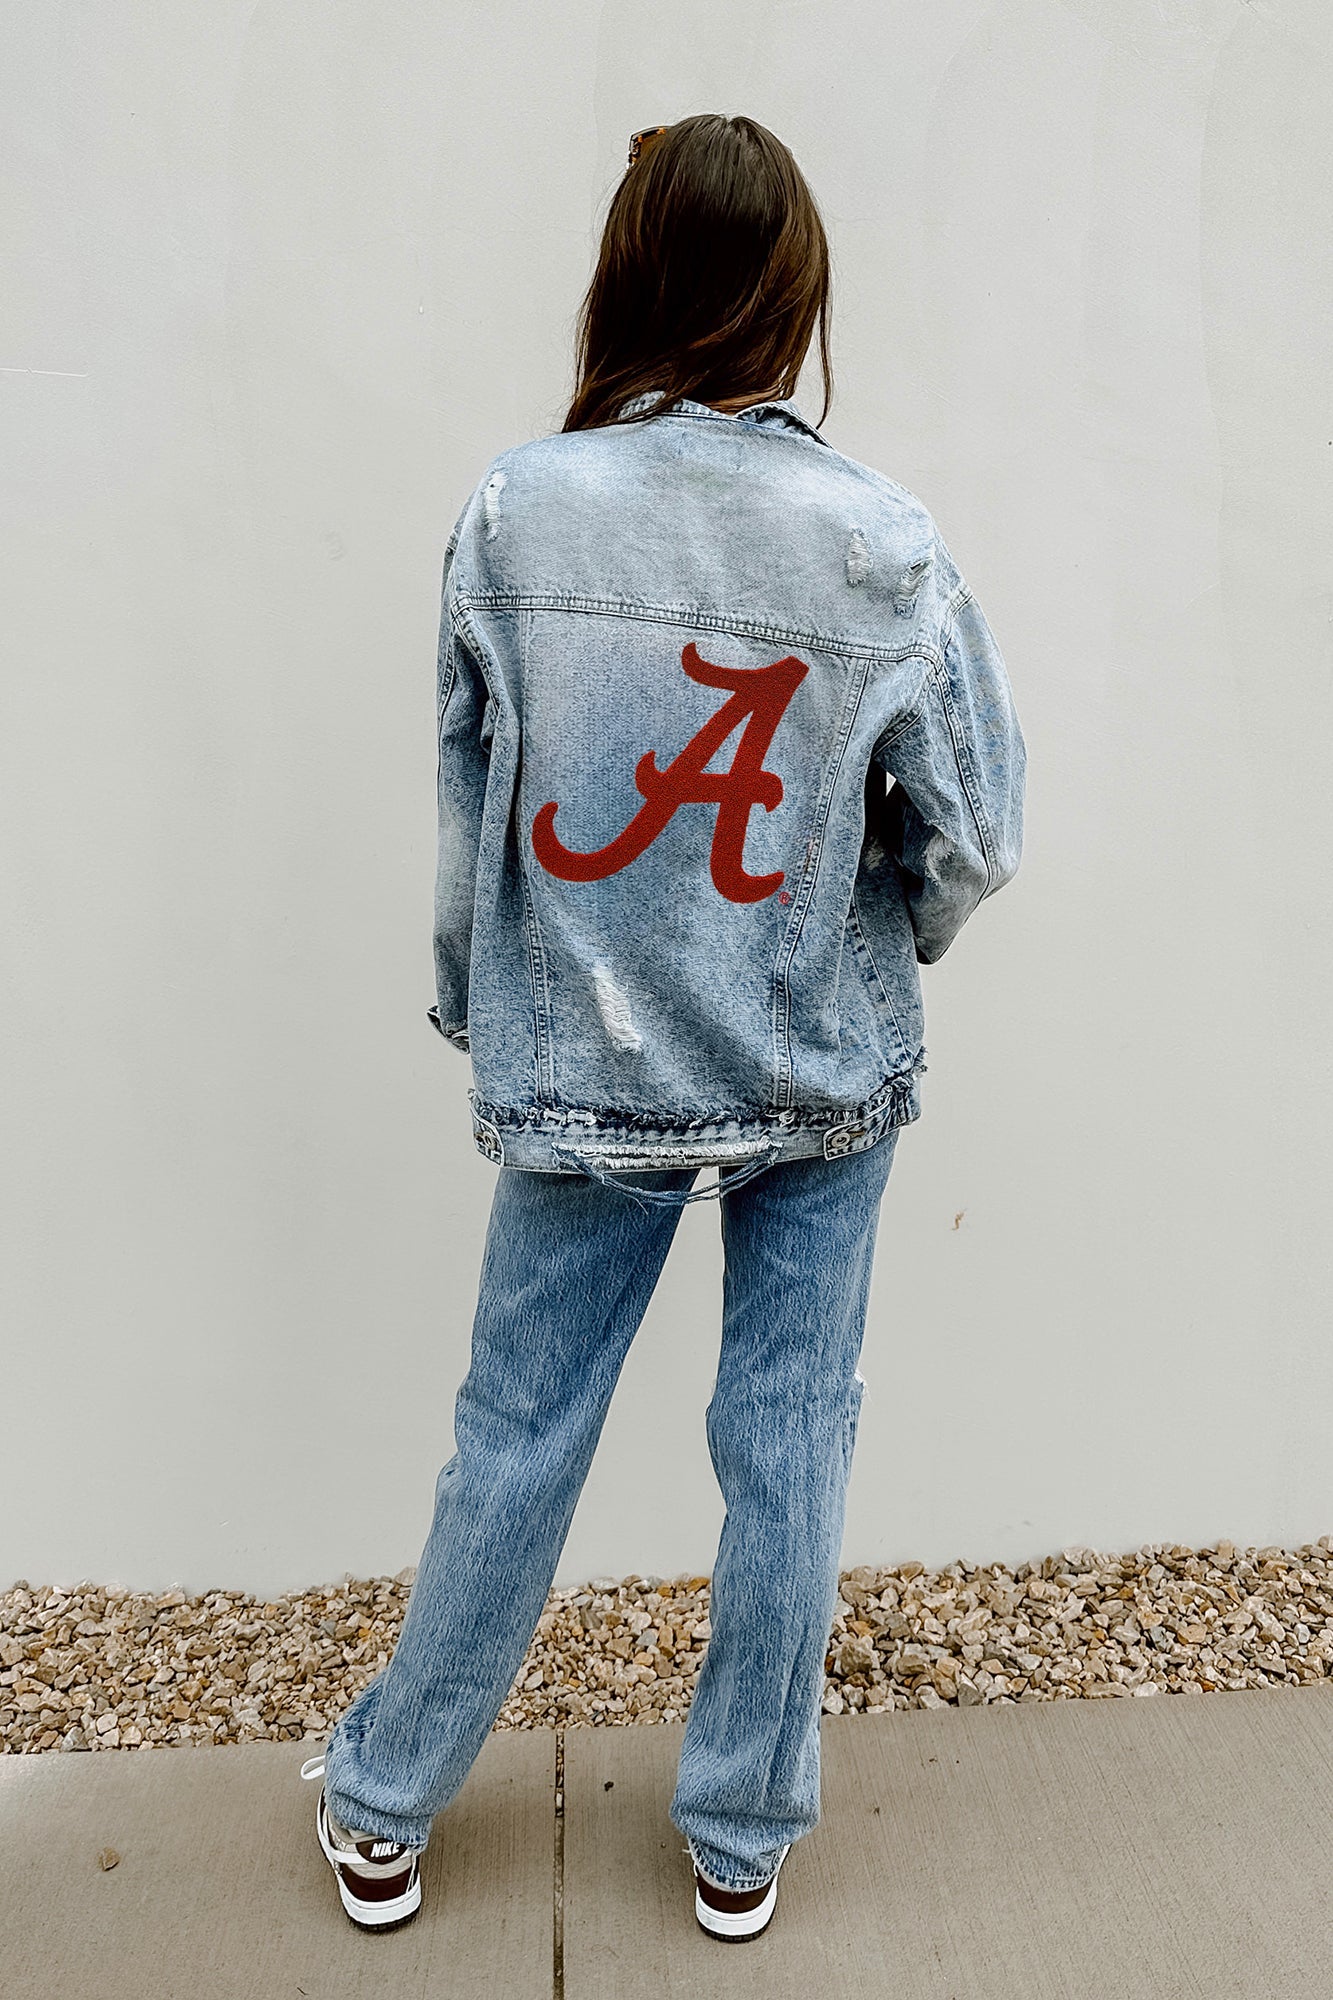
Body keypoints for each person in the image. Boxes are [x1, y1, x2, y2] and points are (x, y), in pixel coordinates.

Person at [300, 111, 1026, 1944]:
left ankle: (385, 1804)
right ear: (793, 293)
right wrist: (880, 936)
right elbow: (976, 833)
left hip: (585, 1060)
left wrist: (493, 1020)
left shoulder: (515, 511)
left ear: (625, 274)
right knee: (788, 1439)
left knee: (515, 1429)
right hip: (817, 1070)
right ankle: (739, 1833)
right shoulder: (879, 541)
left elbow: (471, 820)